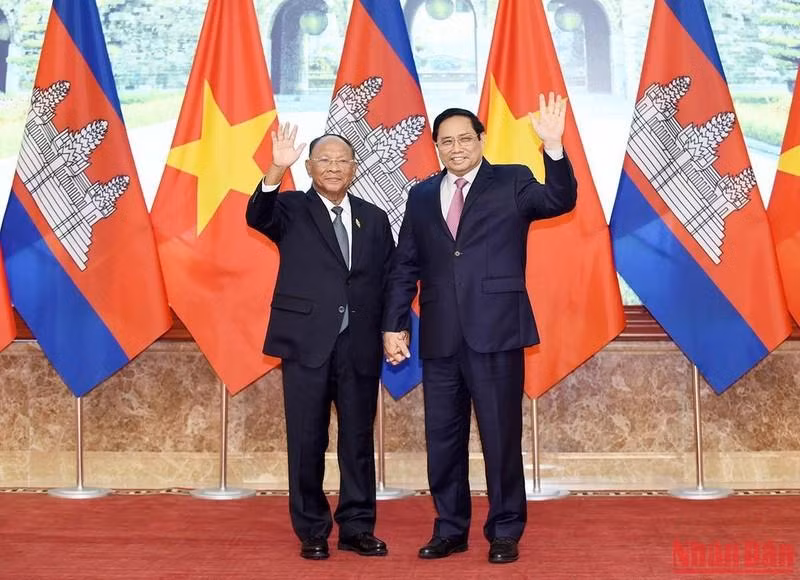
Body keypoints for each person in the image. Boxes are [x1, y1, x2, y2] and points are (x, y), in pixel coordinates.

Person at [382, 93, 577, 564]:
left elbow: (559, 199)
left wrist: (553, 147)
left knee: (500, 437)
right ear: (436, 148)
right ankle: (450, 528)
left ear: (481, 140)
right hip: (442, 335)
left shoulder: (511, 180)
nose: (456, 148)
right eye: (446, 142)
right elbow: (405, 262)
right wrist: (393, 325)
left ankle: (505, 530)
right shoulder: (422, 193)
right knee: (442, 440)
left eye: (464, 139)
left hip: (497, 331)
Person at [247, 124, 394, 561]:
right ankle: (312, 529)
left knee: (357, 441)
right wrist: (276, 167)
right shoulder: (290, 208)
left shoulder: (375, 217)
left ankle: (356, 527)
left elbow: (388, 281)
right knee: (307, 440)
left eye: (342, 161)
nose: (333, 167)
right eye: (324, 161)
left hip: (360, 346)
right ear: (309, 167)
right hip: (306, 344)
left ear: (354, 169)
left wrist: (393, 328)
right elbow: (258, 215)